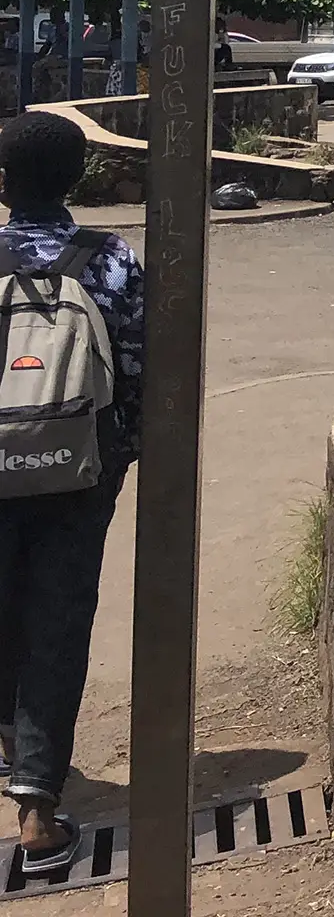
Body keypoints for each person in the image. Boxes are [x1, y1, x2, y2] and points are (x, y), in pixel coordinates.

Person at [0, 111, 144, 876]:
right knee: (58, 619)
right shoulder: (109, 260)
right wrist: (120, 454)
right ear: (77, 179)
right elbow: (137, 367)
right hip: (77, 471)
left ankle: (9, 745)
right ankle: (37, 810)